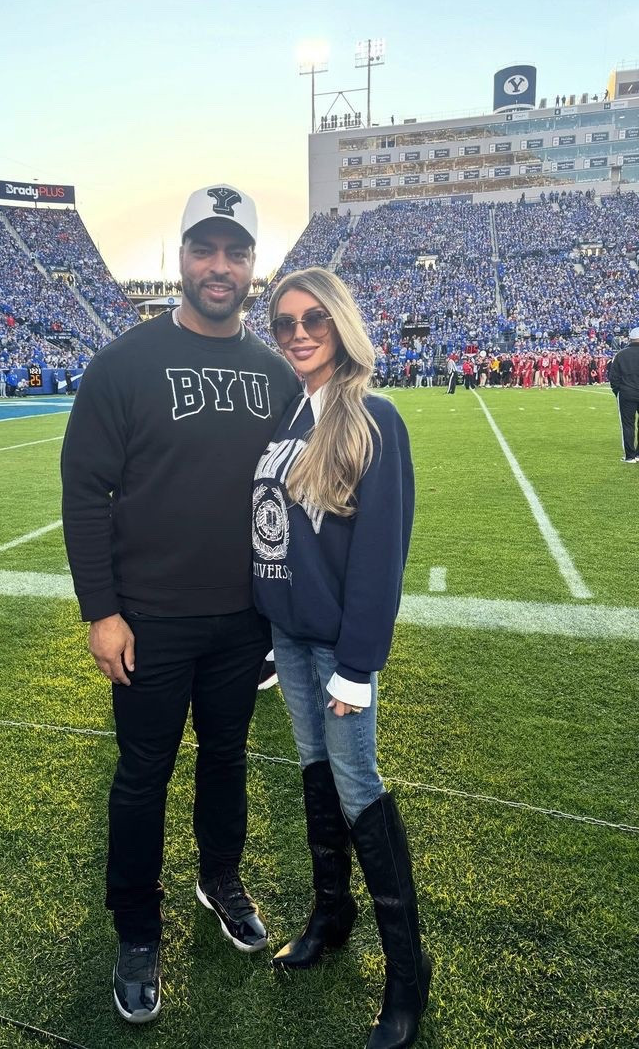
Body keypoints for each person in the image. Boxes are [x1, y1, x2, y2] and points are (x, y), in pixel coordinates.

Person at [61, 184, 301, 1025]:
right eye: (206, 248)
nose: (220, 267)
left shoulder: (276, 374)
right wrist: (103, 609)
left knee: (226, 758)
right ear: (181, 256)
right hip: (149, 619)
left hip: (242, 621)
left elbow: (294, 502)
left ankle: (219, 875)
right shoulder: (123, 363)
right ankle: (135, 926)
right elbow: (86, 490)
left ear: (253, 266)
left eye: (236, 252)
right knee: (141, 776)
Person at [252, 267, 430, 1049]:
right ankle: (332, 911)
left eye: (313, 319)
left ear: (342, 324)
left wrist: (357, 665)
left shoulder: (373, 418)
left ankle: (406, 969)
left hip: (336, 648)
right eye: (284, 320)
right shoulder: (292, 415)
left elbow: (381, 555)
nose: (297, 332)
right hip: (287, 638)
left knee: (358, 784)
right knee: (314, 771)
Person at [609, 326, 639, 462]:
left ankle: (630, 456)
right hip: (630, 391)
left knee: (627, 425)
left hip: (627, 393)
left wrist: (618, 392)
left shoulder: (620, 354)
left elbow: (613, 377)